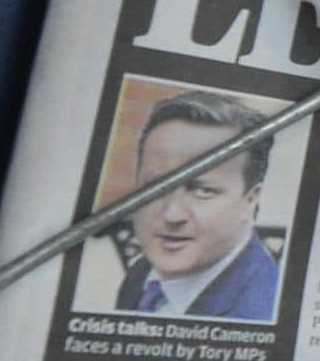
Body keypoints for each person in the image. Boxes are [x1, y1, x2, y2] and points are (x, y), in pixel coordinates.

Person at [115, 90, 281, 322]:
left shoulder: (259, 310)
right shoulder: (142, 274)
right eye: (156, 187)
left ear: (250, 200)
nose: (172, 215)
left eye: (203, 190)